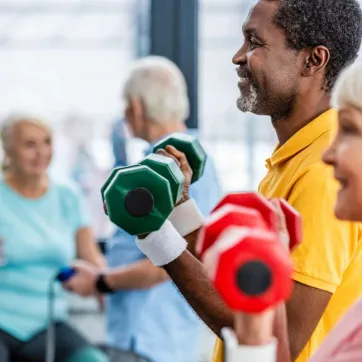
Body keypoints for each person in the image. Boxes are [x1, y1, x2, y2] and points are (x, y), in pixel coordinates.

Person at [123, 1, 362, 362]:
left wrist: (157, 237)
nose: (238, 57)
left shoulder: (323, 173)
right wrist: (179, 208)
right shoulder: (292, 159)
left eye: (255, 42)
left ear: (312, 60)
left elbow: (280, 340)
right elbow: (243, 284)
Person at [63, 56, 222, 362]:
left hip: (151, 334)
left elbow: (173, 258)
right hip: (146, 333)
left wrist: (100, 281)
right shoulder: (165, 162)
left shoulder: (179, 165)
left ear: (135, 107)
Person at [219, 60, 362, 362]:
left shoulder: (318, 177)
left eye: (348, 130)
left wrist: (167, 243)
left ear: (313, 60)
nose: (329, 152)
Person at [0, 114, 108, 362]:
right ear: (8, 149)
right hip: (3, 321)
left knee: (94, 360)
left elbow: (91, 257)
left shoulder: (67, 195)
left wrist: (107, 285)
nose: (41, 153)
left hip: (48, 323)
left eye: (46, 142)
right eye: (29, 145)